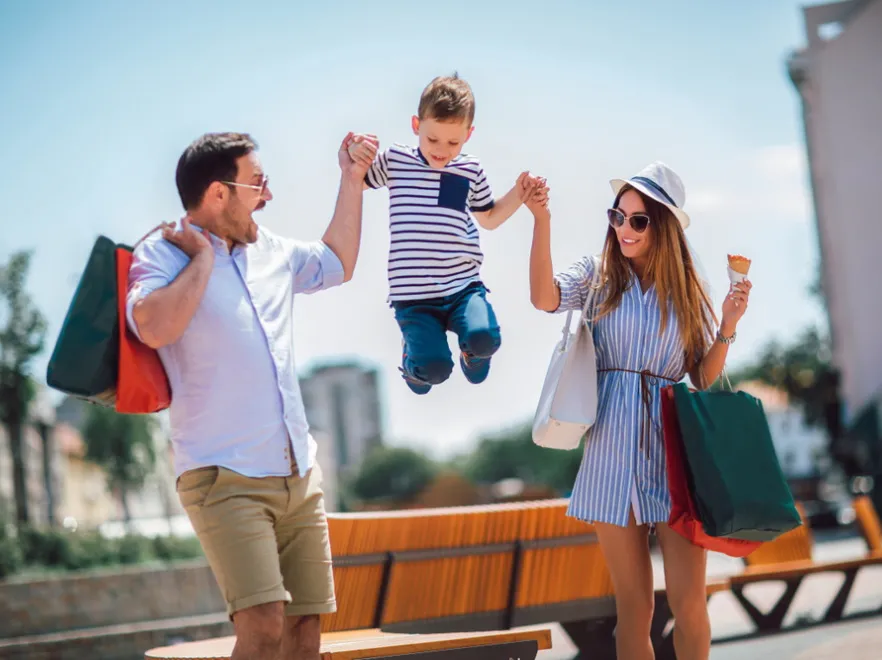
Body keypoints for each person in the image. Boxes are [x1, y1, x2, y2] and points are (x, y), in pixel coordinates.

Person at [126, 131, 377, 660]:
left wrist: (351, 179)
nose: (268, 196)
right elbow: (153, 327)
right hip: (223, 477)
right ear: (219, 193)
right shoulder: (164, 251)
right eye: (258, 184)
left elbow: (338, 260)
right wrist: (200, 261)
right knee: (263, 629)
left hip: (298, 476)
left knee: (304, 631)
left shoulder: (275, 252)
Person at [526, 162, 752, 660]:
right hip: (611, 448)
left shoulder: (690, 293)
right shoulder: (597, 276)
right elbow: (544, 297)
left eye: (638, 220)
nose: (623, 229)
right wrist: (541, 220)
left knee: (690, 603)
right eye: (617, 216)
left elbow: (702, 377)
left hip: (675, 451)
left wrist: (728, 327)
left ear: (663, 226)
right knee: (635, 609)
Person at [355, 73, 541, 394]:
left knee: (485, 338)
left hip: (462, 288)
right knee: (434, 371)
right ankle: (415, 362)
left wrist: (519, 194)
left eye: (453, 142)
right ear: (417, 125)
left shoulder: (469, 171)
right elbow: (356, 179)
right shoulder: (396, 160)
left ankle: (473, 353)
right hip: (414, 299)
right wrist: (355, 150)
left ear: (469, 135)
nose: (441, 150)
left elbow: (490, 218)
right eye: (432, 140)